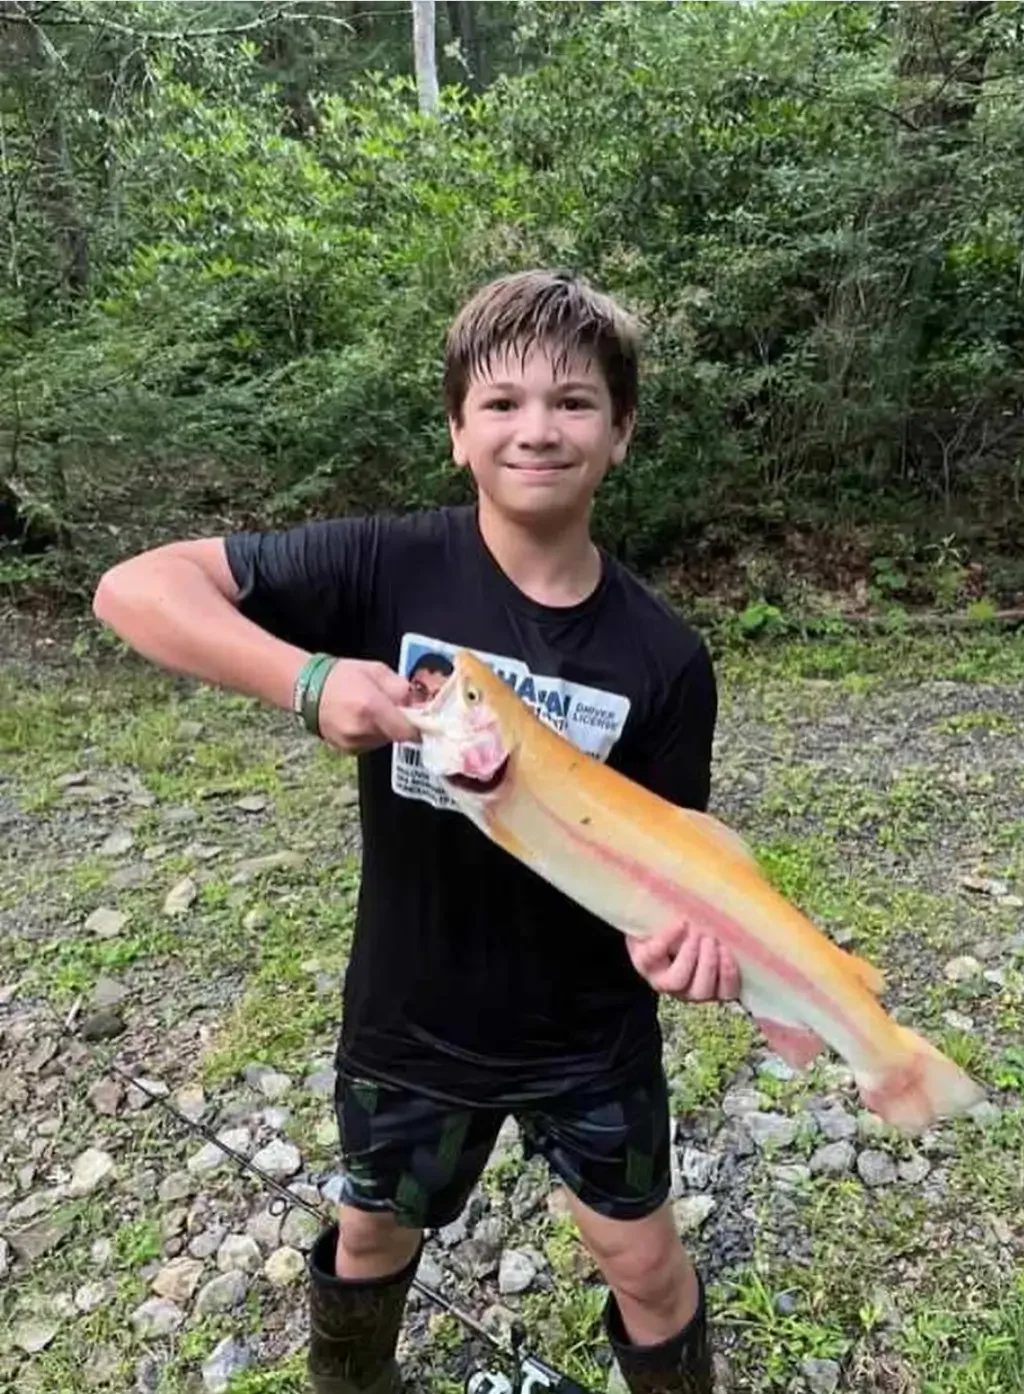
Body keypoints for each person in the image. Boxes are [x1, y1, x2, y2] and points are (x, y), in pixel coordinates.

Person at [92, 269, 741, 1394]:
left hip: (592, 1031)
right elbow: (135, 589)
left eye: (574, 401)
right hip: (411, 1016)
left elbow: (674, 852)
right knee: (375, 1233)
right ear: (456, 432)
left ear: (622, 432)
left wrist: (680, 940)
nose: (537, 428)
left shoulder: (664, 655)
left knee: (641, 1253)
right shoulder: (386, 564)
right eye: (501, 403)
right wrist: (307, 681)